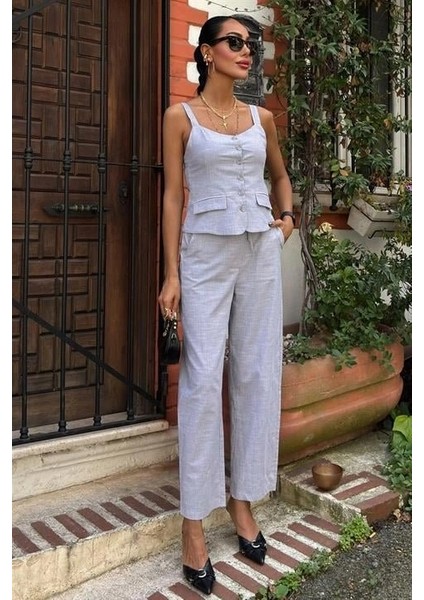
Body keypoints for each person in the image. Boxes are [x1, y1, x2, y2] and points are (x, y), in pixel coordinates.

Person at [158, 14, 294, 595]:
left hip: (259, 251)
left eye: (251, 43)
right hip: (205, 254)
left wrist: (285, 221)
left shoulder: (262, 119)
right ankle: (193, 523)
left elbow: (280, 178)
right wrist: (171, 275)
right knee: (201, 379)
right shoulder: (180, 117)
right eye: (235, 42)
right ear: (207, 52)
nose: (246, 51)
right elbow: (172, 197)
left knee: (257, 373)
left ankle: (243, 501)